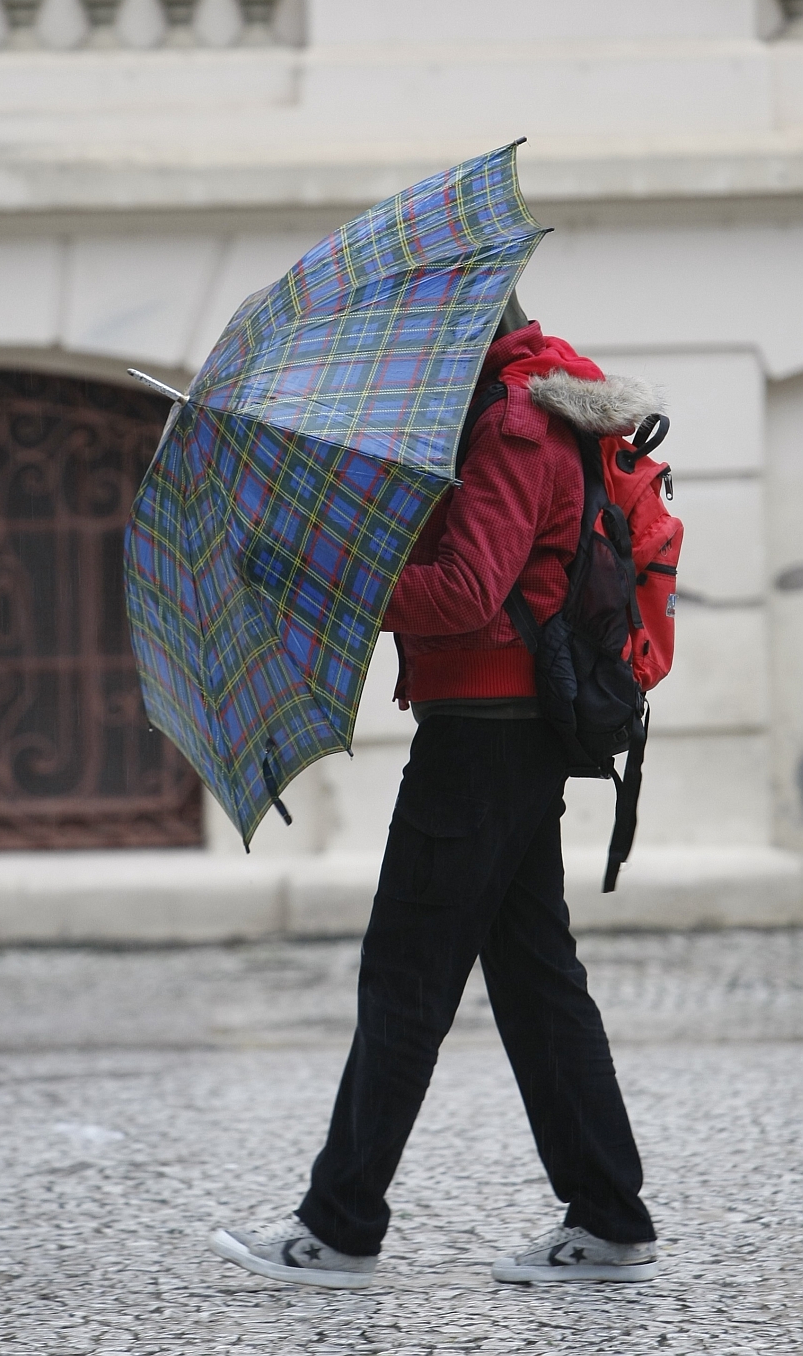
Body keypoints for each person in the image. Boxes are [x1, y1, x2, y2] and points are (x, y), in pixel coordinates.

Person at [208, 299, 660, 1288]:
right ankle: (609, 1217)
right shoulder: (522, 407)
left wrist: (323, 584)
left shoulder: (508, 421)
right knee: (536, 975)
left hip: (485, 737)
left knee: (405, 976)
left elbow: (466, 589)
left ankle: (337, 1227)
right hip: (507, 728)